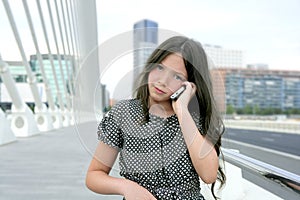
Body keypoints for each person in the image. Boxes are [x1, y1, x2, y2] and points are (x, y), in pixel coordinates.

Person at [86, 35, 226, 200]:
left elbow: (209, 175)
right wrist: (127, 187)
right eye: (160, 68)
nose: (163, 81)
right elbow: (94, 175)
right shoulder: (123, 113)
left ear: (189, 84)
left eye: (177, 76)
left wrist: (182, 111)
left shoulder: (194, 118)